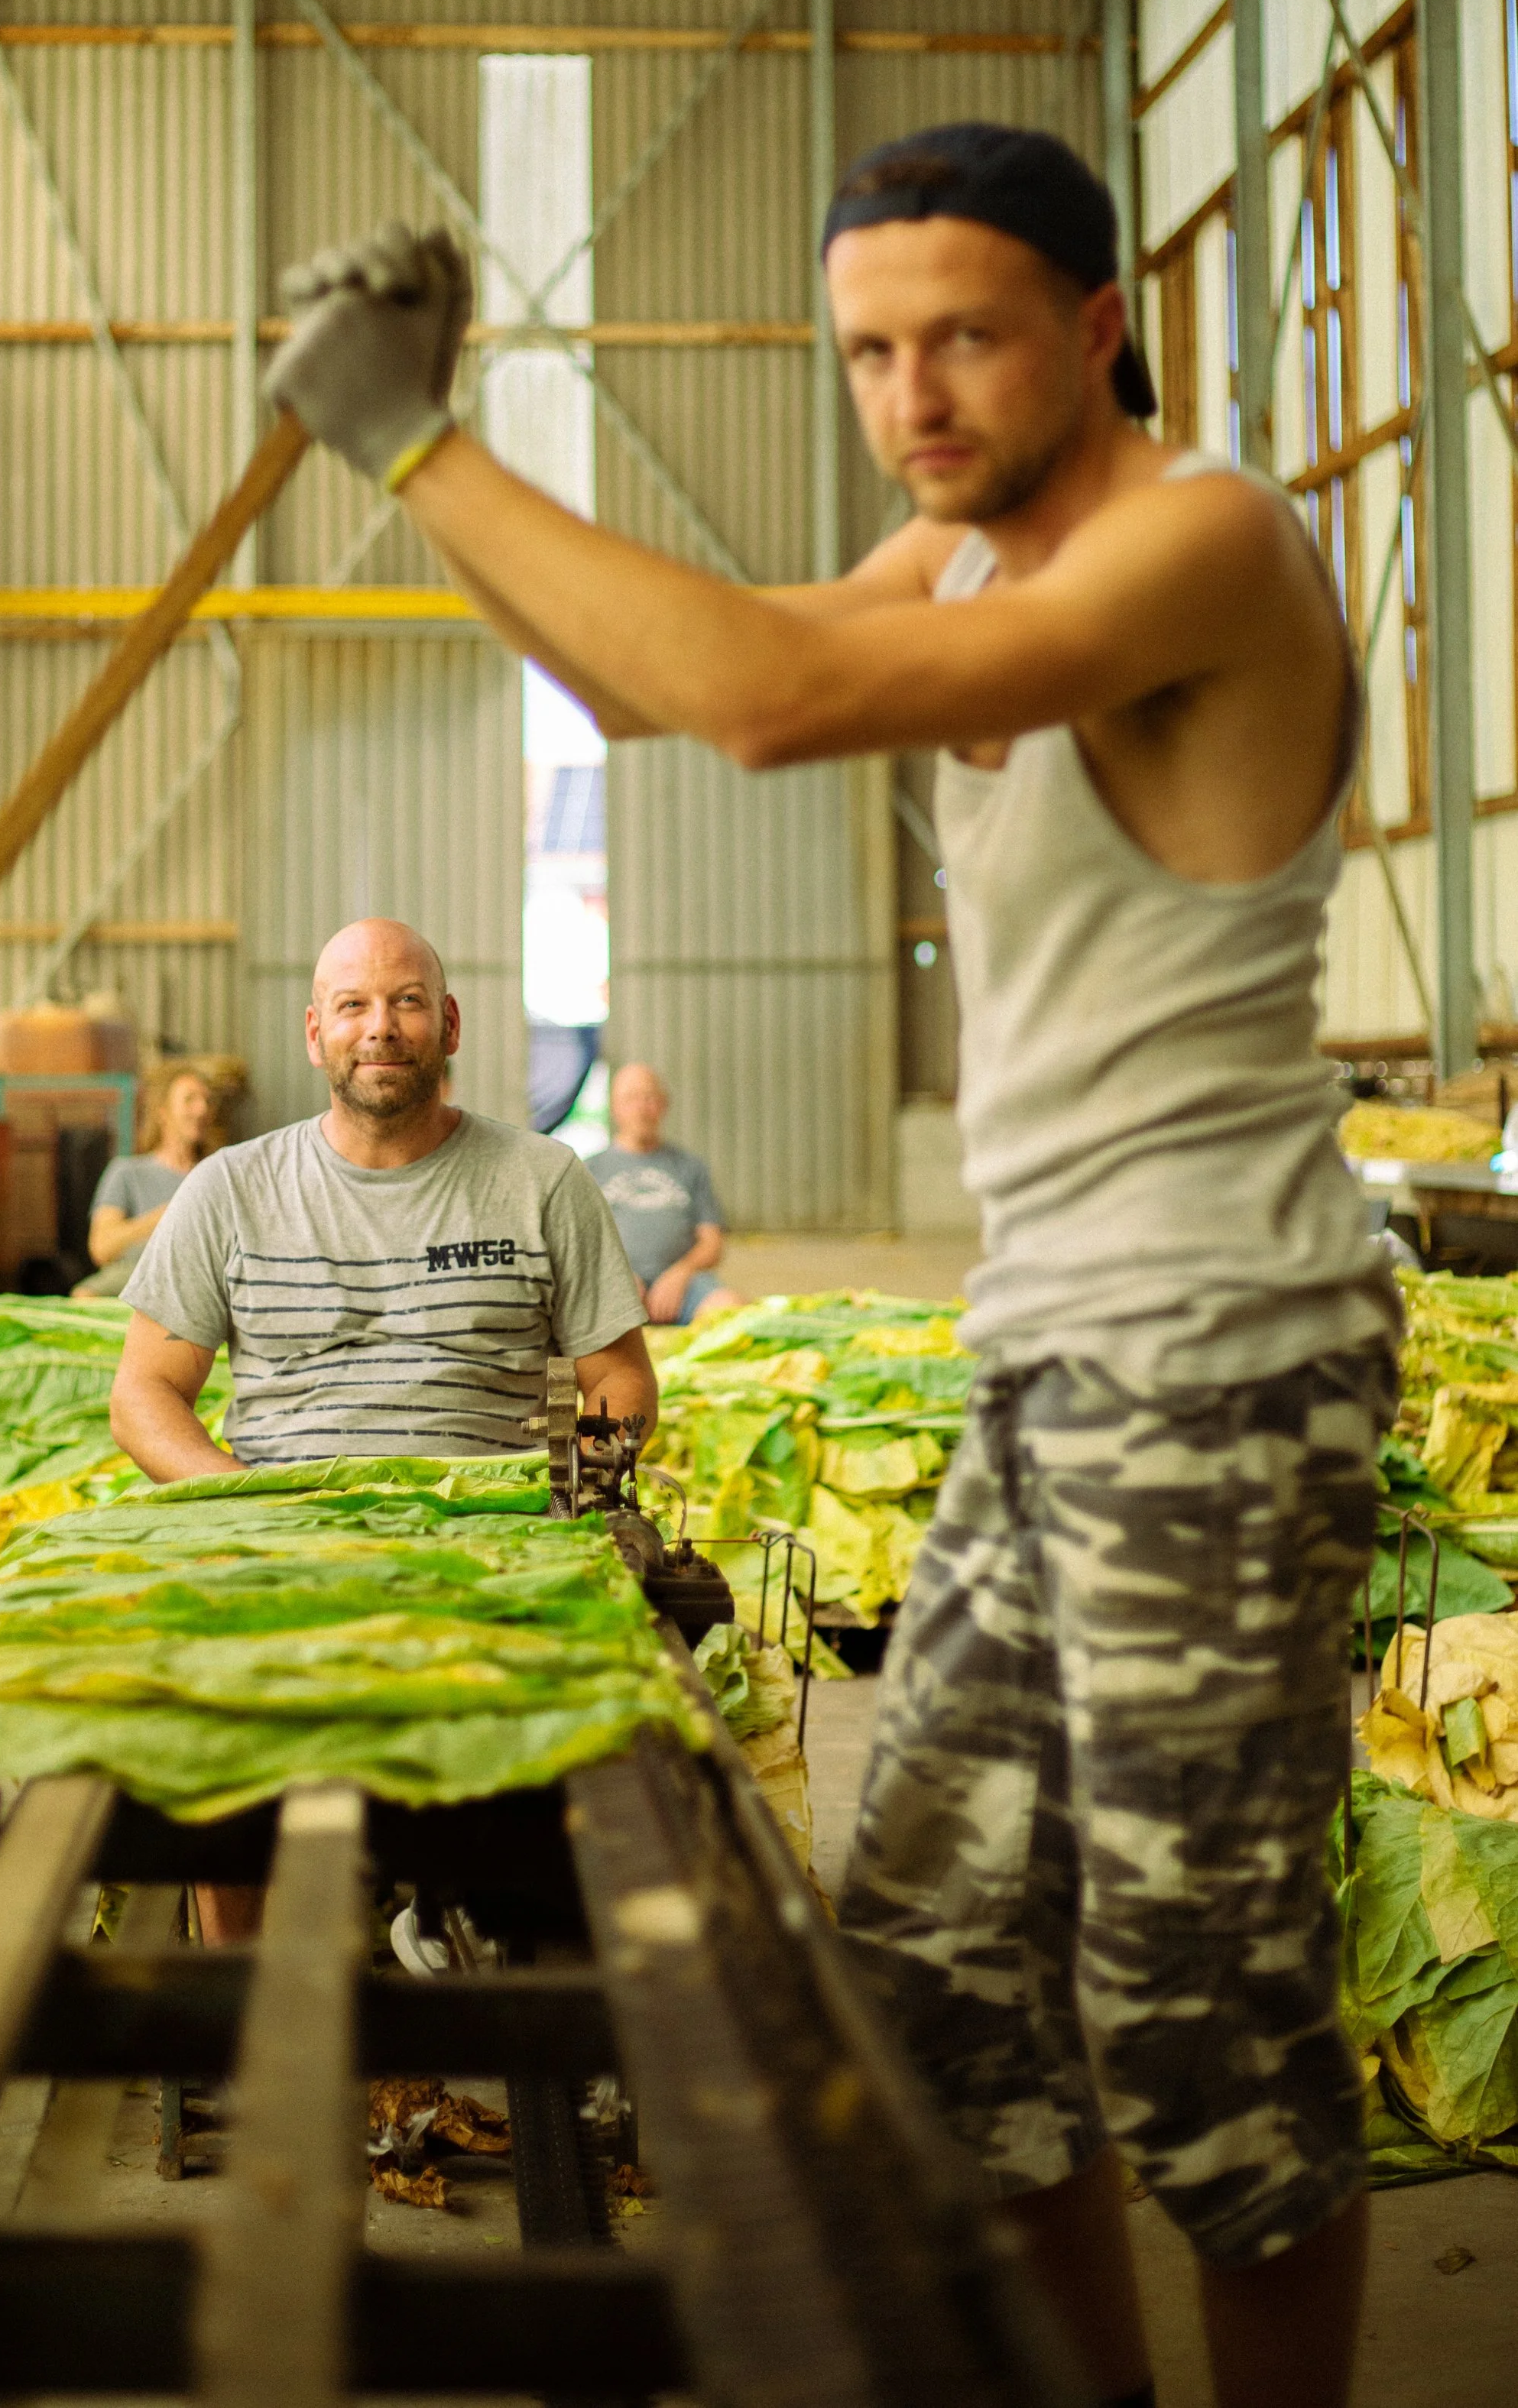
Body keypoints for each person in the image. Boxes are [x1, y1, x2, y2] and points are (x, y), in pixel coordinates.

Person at [261, 132, 1402, 2408]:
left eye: (962, 336)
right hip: (1049, 1359)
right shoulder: (962, 550)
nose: (910, 393)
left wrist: (411, 431)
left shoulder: (1200, 537)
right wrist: (422, 454)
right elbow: (672, 682)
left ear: (1090, 324)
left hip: (1219, 1365)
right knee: (943, 1982)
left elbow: (769, 692)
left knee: (1197, 2018)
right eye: (867, 349)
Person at [109, 916, 652, 1479]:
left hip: (489, 1540)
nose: (381, 1027)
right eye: (353, 1006)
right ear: (315, 1035)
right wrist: (239, 1499)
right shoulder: (230, 1189)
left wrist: (577, 1487)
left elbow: (621, 1379)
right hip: (283, 1542)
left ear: (451, 1025)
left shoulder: (545, 1180)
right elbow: (143, 1393)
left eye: (408, 1001)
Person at [585, 1063, 739, 1324]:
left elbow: (713, 1244)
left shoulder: (690, 1167)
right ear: (614, 1108)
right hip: (612, 1283)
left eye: (650, 1098)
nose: (642, 1109)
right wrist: (616, 1277)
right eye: (631, 1099)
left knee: (733, 1311)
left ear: (664, 1105)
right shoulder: (589, 1170)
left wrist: (680, 1274)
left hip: (685, 1284)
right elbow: (576, 1245)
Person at [73, 1066, 214, 1299]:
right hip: (135, 1278)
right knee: (84, 1295)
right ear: (163, 1113)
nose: (202, 1110)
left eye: (206, 1101)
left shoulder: (216, 1176)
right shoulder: (127, 1173)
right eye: (190, 1100)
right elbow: (101, 1248)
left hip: (195, 1284)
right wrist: (162, 1218)